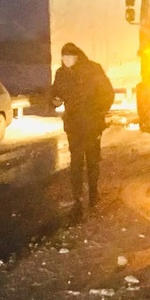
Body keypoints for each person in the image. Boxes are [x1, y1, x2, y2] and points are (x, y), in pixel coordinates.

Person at [49, 42, 115, 215]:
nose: (66, 60)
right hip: (74, 125)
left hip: (92, 124)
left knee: (93, 160)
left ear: (77, 56)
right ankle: (77, 197)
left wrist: (99, 110)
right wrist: (54, 100)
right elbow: (55, 92)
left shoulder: (93, 69)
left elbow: (108, 92)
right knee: (76, 162)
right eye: (63, 57)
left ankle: (93, 192)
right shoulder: (61, 73)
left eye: (69, 56)